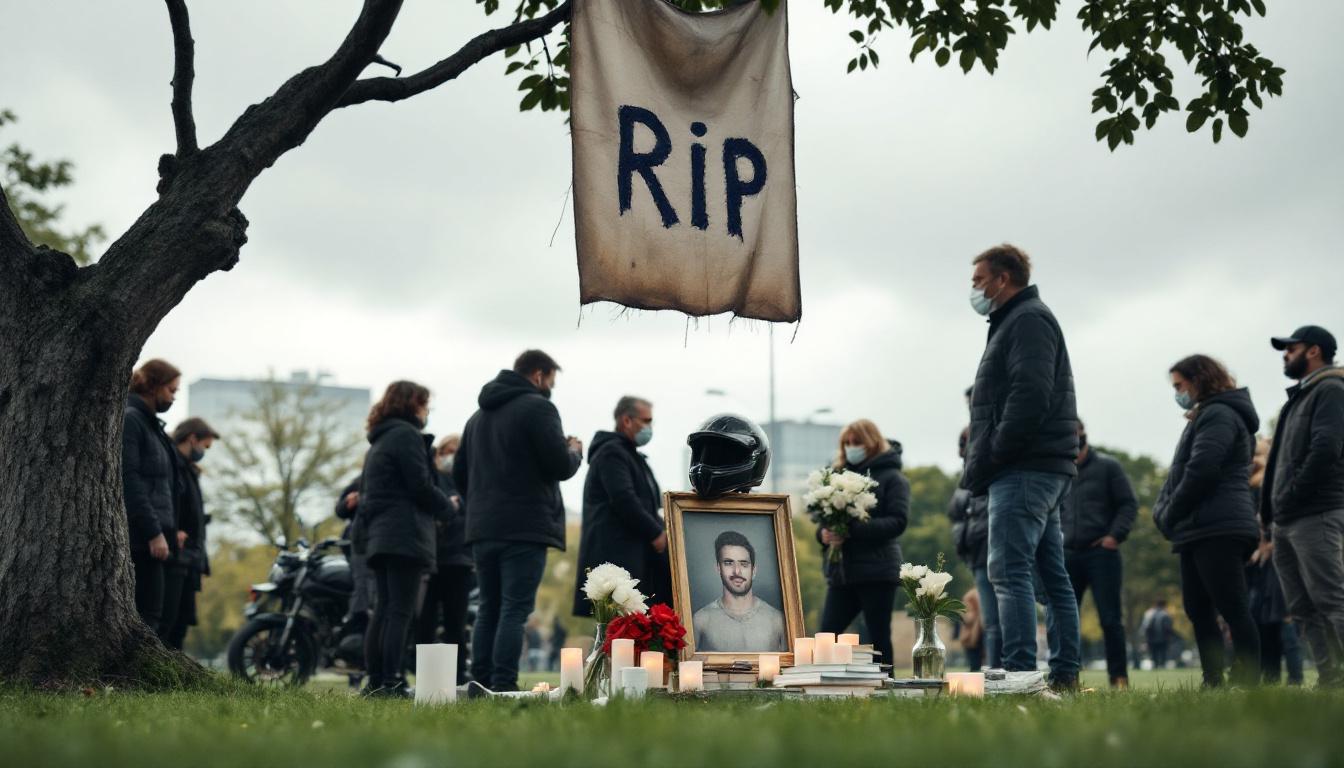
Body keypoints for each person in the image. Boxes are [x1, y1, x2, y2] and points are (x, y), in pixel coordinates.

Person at [961, 244, 1081, 691]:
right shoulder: (1017, 320)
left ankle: (1018, 673)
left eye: (978, 281)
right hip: (1040, 466)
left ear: (1003, 279)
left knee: (1008, 572)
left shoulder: (1027, 319)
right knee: (1051, 577)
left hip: (1024, 468)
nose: (973, 290)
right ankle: (1064, 675)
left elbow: (1030, 394)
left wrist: (995, 453)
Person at [455, 350, 582, 692]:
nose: (551, 388)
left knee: (488, 607)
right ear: (539, 375)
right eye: (551, 381)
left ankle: (478, 681)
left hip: (482, 528)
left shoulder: (476, 418)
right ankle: (503, 683)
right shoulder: (539, 408)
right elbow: (559, 465)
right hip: (524, 527)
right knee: (515, 608)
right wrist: (574, 450)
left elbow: (458, 474)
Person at [1152, 354, 1261, 687]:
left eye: (1180, 385)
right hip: (1198, 528)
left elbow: (1202, 469)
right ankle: (1213, 678)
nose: (1178, 393)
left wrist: (1170, 512)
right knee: (1198, 609)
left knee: (1232, 607)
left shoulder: (1219, 414)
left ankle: (1248, 679)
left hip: (1219, 526)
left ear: (1199, 380)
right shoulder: (1206, 415)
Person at [356, 381, 453, 697]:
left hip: (381, 536)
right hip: (405, 535)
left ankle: (375, 680)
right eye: (425, 404)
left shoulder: (380, 440)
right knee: (400, 610)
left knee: (384, 609)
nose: (427, 412)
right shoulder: (406, 436)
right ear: (412, 404)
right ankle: (391, 680)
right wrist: (447, 507)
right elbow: (420, 485)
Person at [1261, 325, 1344, 688]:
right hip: (1286, 519)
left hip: (1316, 513)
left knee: (1330, 598)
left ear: (1313, 351)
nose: (1284, 354)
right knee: (1302, 606)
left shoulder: (1330, 390)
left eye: (1290, 348)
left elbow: (1325, 449)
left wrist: (1292, 495)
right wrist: (1269, 514)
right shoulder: (1299, 397)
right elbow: (1280, 461)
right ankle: (1330, 677)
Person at [815, 419, 909, 667]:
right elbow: (823, 521)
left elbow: (897, 522)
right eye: (846, 443)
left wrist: (851, 530)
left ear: (872, 442)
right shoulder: (835, 477)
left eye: (856, 442)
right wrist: (824, 535)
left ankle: (885, 688)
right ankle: (820, 684)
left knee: (878, 636)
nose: (850, 447)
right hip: (842, 572)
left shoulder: (893, 478)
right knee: (827, 633)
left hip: (877, 571)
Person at [572, 396, 670, 618]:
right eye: (646, 420)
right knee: (618, 632)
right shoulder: (612, 453)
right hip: (618, 558)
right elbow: (624, 499)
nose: (649, 428)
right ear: (627, 420)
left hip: (633, 556)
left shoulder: (631, 456)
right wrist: (656, 533)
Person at [1059, 420, 1138, 688]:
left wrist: (1115, 536)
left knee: (1110, 618)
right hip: (1068, 554)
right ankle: (1069, 678)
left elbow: (1128, 504)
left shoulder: (1108, 466)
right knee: (1067, 618)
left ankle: (1119, 679)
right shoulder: (1061, 470)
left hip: (1101, 553)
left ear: (1083, 435)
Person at [122, 359, 183, 636]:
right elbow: (130, 479)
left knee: (160, 615)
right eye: (171, 390)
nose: (173, 397)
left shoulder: (150, 425)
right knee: (149, 615)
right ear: (154, 386)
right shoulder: (132, 420)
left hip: (158, 534)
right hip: (143, 538)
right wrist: (153, 532)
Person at [417, 434, 472, 681]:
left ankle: (457, 675)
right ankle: (425, 673)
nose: (449, 456)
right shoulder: (432, 477)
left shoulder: (466, 481)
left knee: (455, 622)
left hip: (458, 561)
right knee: (424, 620)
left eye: (455, 452)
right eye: (445, 451)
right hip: (431, 558)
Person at [164, 417, 219, 651]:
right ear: (192, 438)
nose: (203, 452)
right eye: (204, 447)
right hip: (177, 552)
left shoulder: (189, 470)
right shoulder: (172, 464)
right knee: (169, 615)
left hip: (189, 555)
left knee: (183, 616)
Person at [949, 425, 998, 668]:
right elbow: (957, 519)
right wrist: (964, 547)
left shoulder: (993, 473)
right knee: (989, 620)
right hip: (977, 557)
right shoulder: (962, 483)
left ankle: (1006, 669)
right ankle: (991, 671)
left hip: (999, 553)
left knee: (999, 620)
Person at [693, 531, 787, 652]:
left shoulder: (777, 620)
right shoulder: (701, 620)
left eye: (744, 564)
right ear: (718, 568)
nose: (737, 571)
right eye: (728, 563)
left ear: (753, 571)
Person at [1140, 599, 1176, 667]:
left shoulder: (1149, 613)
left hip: (1151, 637)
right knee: (1163, 653)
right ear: (1164, 605)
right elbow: (1168, 627)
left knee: (1153, 653)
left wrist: (1144, 639)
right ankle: (1162, 665)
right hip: (1163, 637)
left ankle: (1155, 665)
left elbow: (1144, 626)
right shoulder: (1165, 614)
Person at [960, 587, 985, 671]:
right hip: (972, 638)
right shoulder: (971, 595)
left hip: (977, 637)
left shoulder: (974, 594)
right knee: (975, 665)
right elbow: (967, 617)